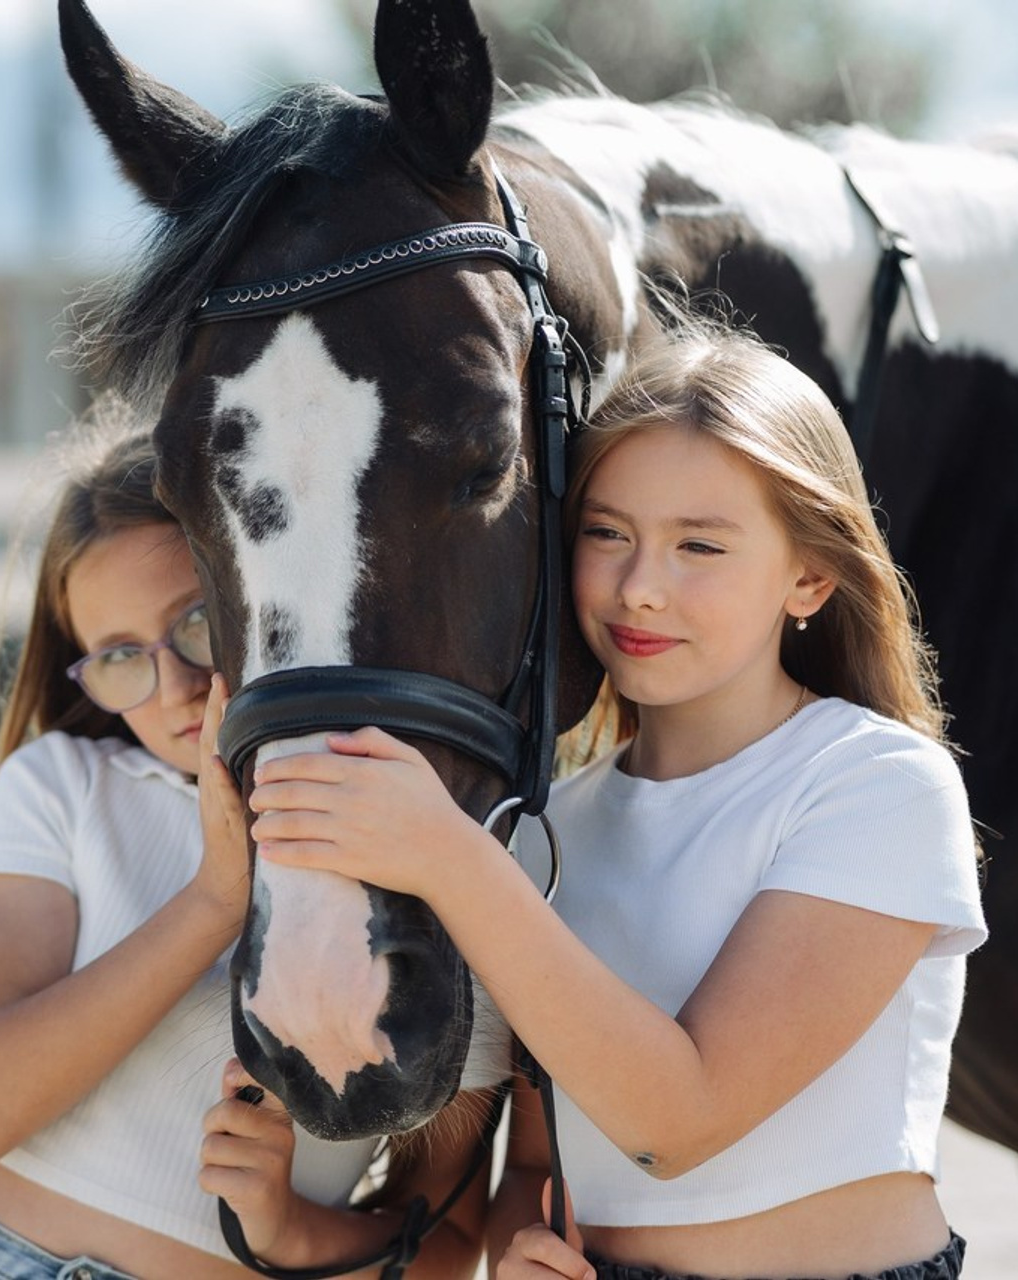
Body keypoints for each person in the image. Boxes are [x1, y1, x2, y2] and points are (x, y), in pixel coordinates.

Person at [245, 325, 987, 1280]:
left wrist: (448, 857)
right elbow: (547, 1164)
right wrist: (522, 1252)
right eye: (607, 534)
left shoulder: (875, 783)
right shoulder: (549, 829)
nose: (640, 590)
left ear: (809, 575)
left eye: (700, 546)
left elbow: (676, 1122)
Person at [0, 414, 494, 1280]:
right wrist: (214, 900)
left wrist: (287, 1228)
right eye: (117, 656)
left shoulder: (444, 860)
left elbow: (446, 1248)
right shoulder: (65, 786)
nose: (174, 685)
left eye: (193, 622)